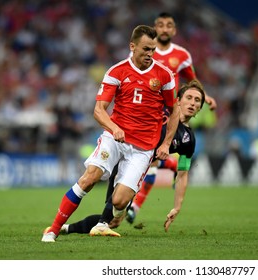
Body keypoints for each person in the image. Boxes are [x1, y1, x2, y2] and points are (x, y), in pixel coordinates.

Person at [41, 25, 179, 242]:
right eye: (145, 49)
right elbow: (98, 110)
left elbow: (174, 111)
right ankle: (53, 230)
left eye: (153, 49)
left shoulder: (164, 75)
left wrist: (165, 144)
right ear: (132, 46)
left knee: (119, 201)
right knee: (90, 177)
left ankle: (110, 219)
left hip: (143, 148)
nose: (150, 54)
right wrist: (114, 128)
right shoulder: (117, 71)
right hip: (115, 137)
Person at [54, 80, 205, 236]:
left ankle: (66, 228)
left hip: (137, 169)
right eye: (189, 97)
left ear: (200, 108)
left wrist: (177, 207)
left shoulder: (188, 139)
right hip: (124, 155)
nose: (192, 103)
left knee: (115, 221)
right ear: (178, 100)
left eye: (197, 100)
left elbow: (182, 174)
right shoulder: (161, 109)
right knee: (111, 208)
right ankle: (90, 225)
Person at [124, 12, 217, 224]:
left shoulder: (182, 55)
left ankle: (132, 207)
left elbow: (193, 81)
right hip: (148, 109)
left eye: (169, 25)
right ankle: (129, 204)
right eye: (160, 25)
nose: (164, 29)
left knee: (153, 159)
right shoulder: (147, 52)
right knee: (149, 159)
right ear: (155, 28)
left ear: (173, 30)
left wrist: (205, 96)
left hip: (169, 110)